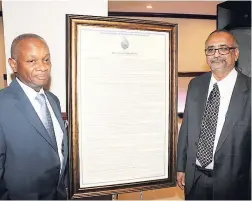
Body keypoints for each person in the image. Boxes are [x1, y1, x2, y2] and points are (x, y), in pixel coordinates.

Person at [177, 29, 251, 200]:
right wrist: (181, 166)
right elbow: (186, 128)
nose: (216, 54)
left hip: (235, 184)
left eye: (223, 48)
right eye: (210, 49)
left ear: (236, 53)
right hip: (195, 178)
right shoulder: (195, 85)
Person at [0, 33, 68, 199]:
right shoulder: (2, 104)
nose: (43, 67)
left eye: (46, 59)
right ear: (13, 64)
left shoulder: (53, 101)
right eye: (32, 61)